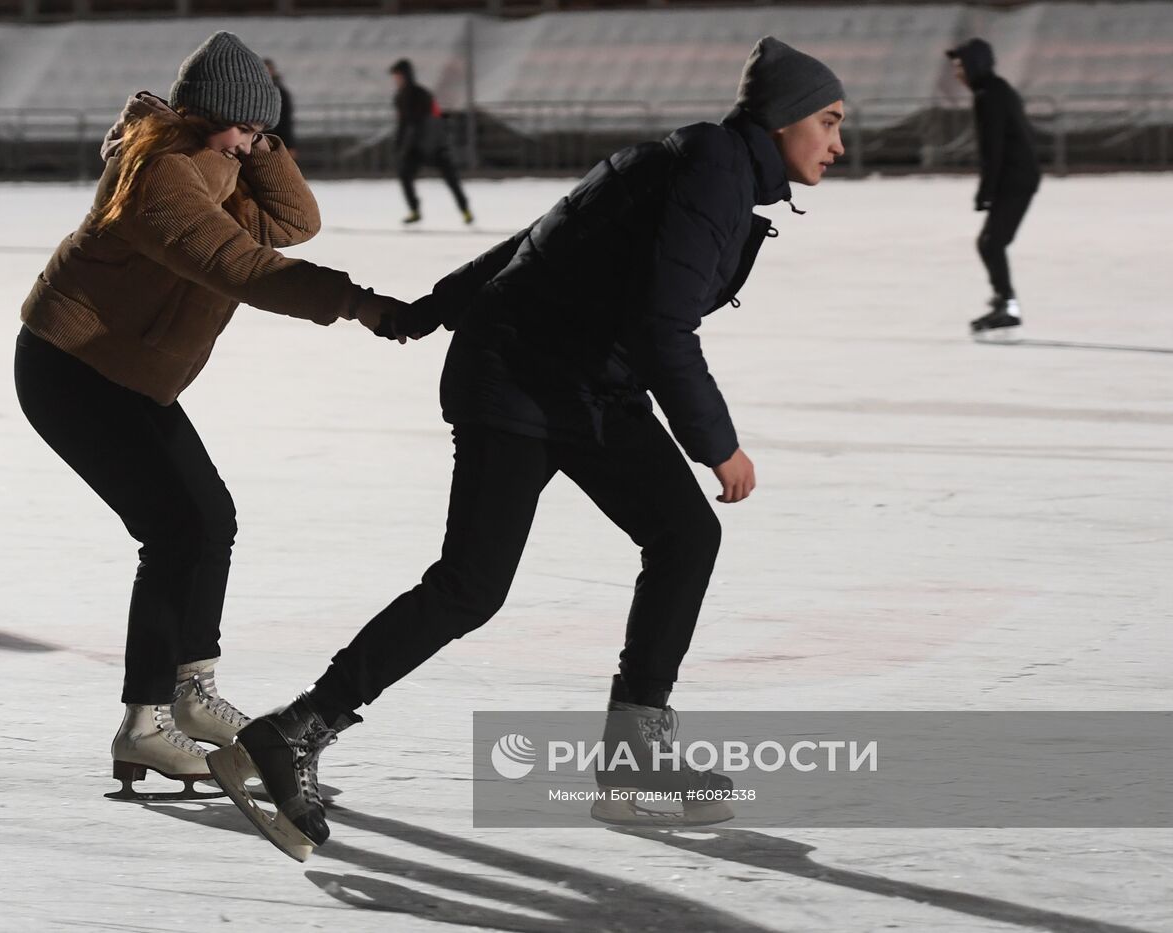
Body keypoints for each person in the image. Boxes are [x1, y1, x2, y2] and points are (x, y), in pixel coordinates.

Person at [209, 36, 846, 861]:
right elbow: (661, 324)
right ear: (787, 117)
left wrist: (435, 306)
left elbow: (549, 231)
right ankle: (295, 728)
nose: (837, 143)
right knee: (472, 585)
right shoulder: (710, 170)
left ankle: (634, 758)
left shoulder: (702, 163)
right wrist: (716, 444)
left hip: (583, 383)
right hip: (516, 375)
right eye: (828, 121)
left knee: (685, 536)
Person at [13, 31, 407, 801]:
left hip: (126, 373)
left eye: (263, 132)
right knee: (176, 529)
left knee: (210, 518)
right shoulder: (158, 175)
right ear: (203, 115)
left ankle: (192, 689)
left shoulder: (219, 164)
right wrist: (355, 303)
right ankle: (146, 721)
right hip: (73, 367)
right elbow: (241, 264)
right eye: (245, 128)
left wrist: (253, 141)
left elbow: (295, 220)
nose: (255, 143)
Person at [947, 38, 1041, 335]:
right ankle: (1005, 302)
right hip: (1017, 175)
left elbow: (994, 147)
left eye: (960, 66)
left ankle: (1007, 307)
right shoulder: (994, 89)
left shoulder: (989, 94)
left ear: (975, 64)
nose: (957, 73)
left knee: (991, 243)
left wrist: (986, 192)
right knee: (991, 243)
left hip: (1016, 178)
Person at [389, 58, 472, 226]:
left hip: (434, 145)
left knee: (451, 178)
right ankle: (414, 210)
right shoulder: (400, 98)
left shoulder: (422, 94)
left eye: (397, 76)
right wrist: (399, 146)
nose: (395, 80)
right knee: (405, 174)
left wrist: (440, 143)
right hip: (415, 148)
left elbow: (435, 120)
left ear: (406, 75)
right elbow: (402, 125)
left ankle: (465, 210)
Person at [263, 59, 297, 159]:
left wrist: (290, 144)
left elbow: (286, 121)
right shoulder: (259, 91)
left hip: (277, 138)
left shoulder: (281, 92)